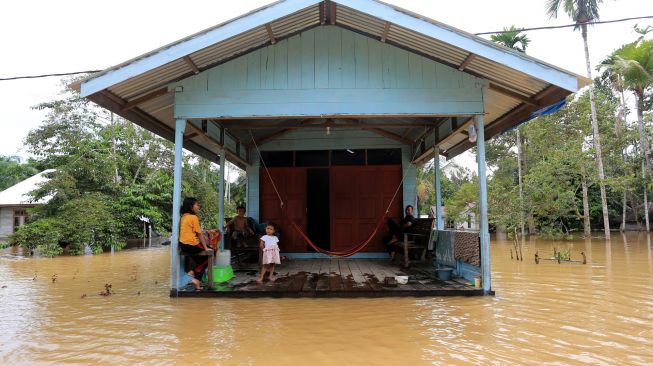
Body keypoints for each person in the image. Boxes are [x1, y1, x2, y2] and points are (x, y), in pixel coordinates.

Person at [179, 197, 213, 291]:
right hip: (191, 245)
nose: (198, 206)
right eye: (197, 205)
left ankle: (197, 283)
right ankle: (193, 273)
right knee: (211, 252)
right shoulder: (193, 217)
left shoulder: (184, 217)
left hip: (183, 245)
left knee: (202, 258)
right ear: (191, 207)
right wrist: (206, 247)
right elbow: (199, 234)